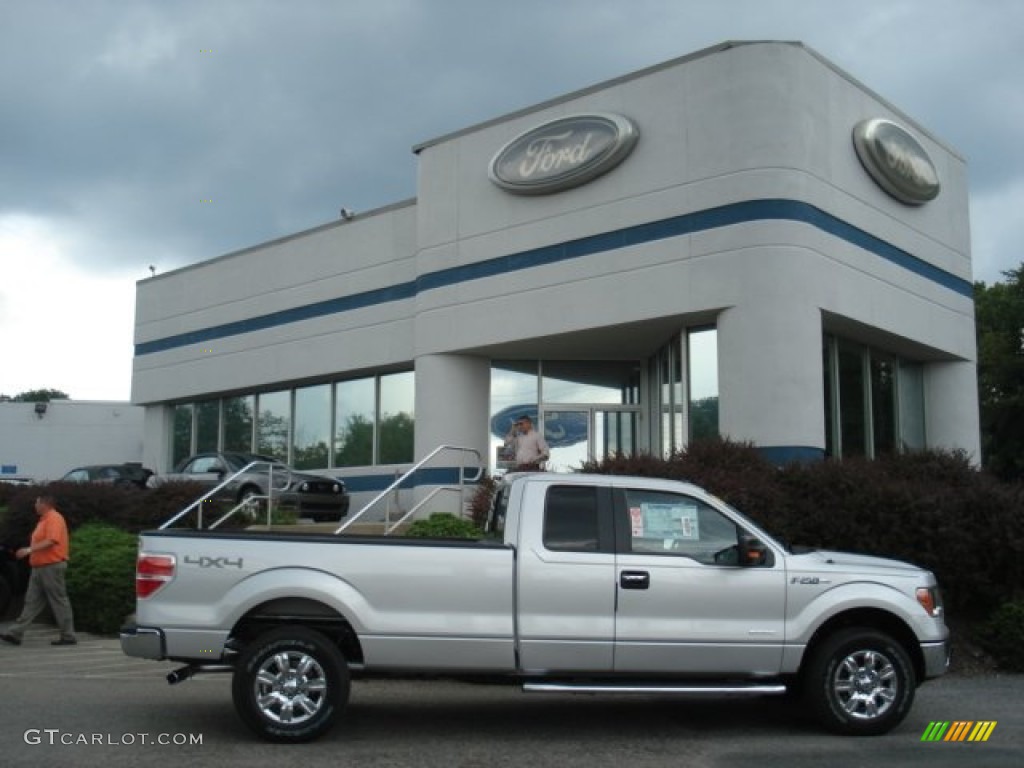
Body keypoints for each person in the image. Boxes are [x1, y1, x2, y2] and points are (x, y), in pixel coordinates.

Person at [0, 495, 77, 646]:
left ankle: (68, 635)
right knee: (32, 601)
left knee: (58, 600)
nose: (35, 505)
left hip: (51, 566)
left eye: (36, 502)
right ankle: (15, 633)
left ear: (44, 504)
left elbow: (51, 540)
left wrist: (29, 550)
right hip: (39, 566)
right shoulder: (44, 520)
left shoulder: (54, 518)